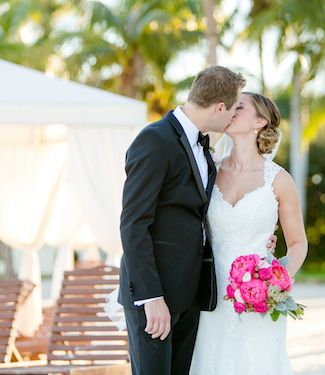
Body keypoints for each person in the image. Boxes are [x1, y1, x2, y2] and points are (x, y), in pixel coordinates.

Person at [119, 66, 278, 375]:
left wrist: (259, 237)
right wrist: (152, 298)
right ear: (220, 107)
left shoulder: (205, 149)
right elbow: (133, 224)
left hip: (191, 295)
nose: (233, 116)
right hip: (156, 295)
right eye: (233, 109)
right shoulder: (154, 140)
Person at [189, 92, 308, 374]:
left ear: (260, 122)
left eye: (239, 106)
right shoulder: (208, 171)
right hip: (209, 294)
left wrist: (276, 282)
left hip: (257, 301)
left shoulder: (279, 180)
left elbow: (298, 243)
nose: (230, 109)